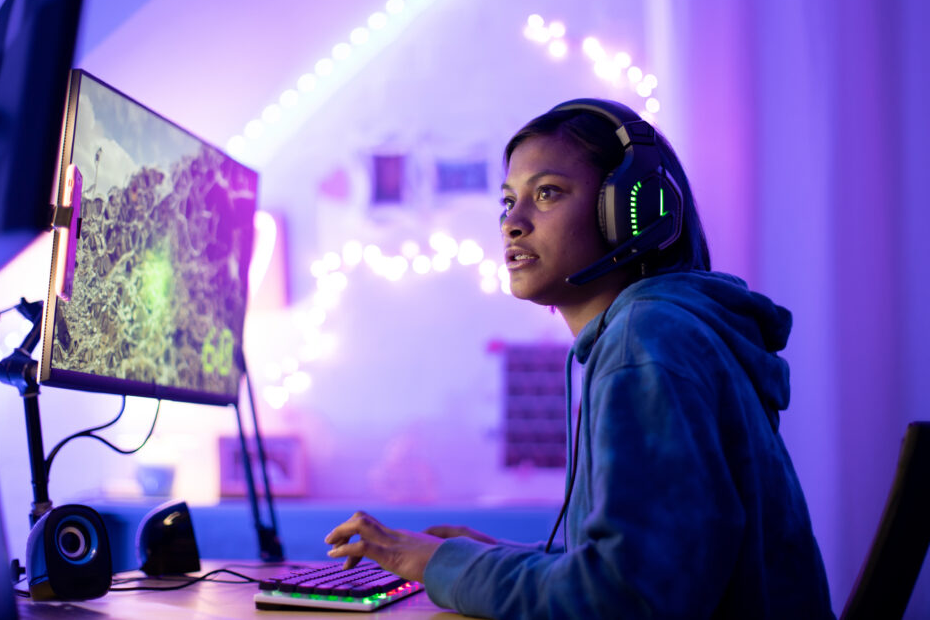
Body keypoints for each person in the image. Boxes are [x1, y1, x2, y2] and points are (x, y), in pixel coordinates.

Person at [324, 98, 834, 618]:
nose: (512, 224)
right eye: (507, 202)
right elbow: (644, 571)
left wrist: (444, 565)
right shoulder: (667, 331)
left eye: (547, 193)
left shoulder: (645, 342)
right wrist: (483, 559)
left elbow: (625, 599)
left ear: (634, 211)